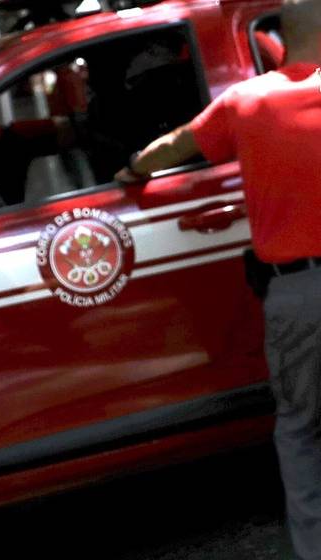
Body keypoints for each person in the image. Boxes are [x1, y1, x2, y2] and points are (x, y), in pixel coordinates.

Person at [116, 2, 321, 557]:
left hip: (298, 295)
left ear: (279, 39)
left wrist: (131, 170)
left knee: (303, 431)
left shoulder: (246, 100)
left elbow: (169, 150)